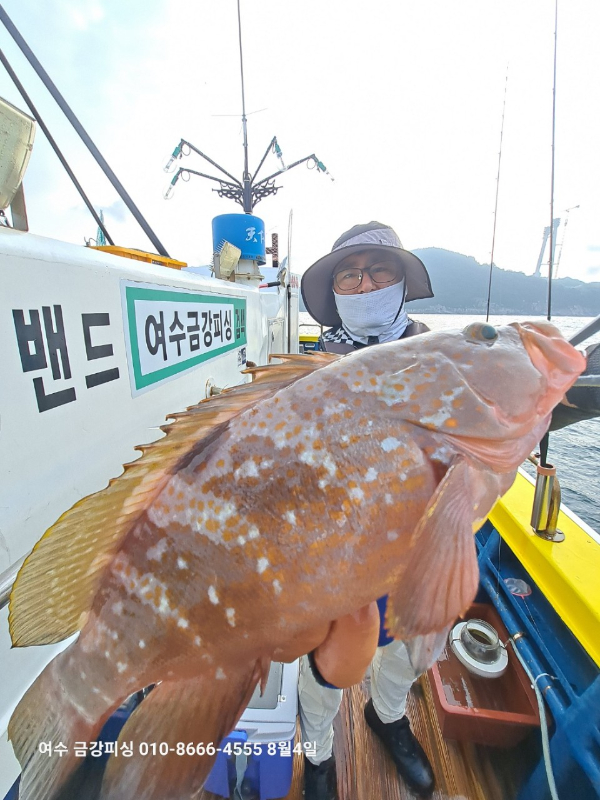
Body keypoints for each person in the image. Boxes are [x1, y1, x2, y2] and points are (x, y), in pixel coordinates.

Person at [298, 221, 436, 800]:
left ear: (403, 282)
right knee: (327, 660)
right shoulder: (306, 371)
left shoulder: (443, 359)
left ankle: (388, 714)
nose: (366, 282)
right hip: (339, 553)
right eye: (350, 275)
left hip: (424, 545)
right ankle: (319, 752)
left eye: (380, 270)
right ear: (333, 296)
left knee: (414, 644)